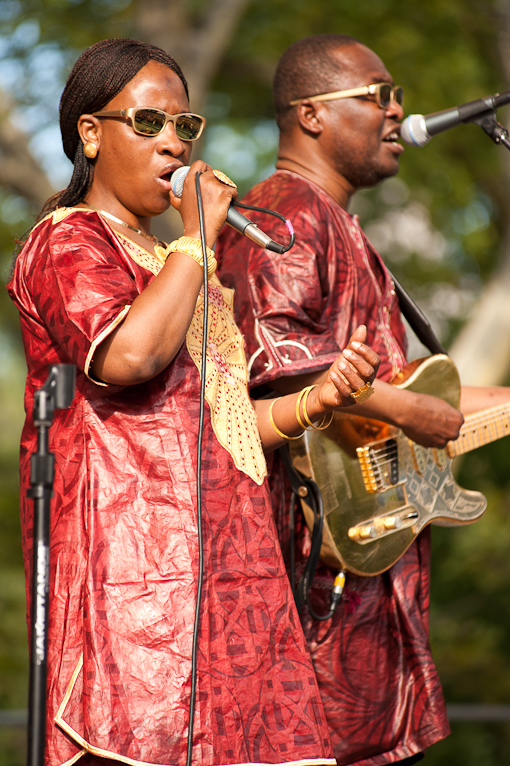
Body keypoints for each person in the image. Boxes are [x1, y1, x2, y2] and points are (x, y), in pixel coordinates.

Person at [7, 38, 381, 766]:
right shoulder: (67, 243)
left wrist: (316, 401)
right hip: (139, 592)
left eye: (185, 126)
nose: (173, 144)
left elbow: (229, 425)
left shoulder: (184, 267)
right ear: (90, 134)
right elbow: (130, 358)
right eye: (149, 124)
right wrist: (198, 239)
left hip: (236, 583)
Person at [216, 34, 510, 766]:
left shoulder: (334, 221)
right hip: (307, 582)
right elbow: (272, 367)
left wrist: (421, 407)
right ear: (311, 114)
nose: (397, 112)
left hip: (362, 589)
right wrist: (404, 411)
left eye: (397, 96)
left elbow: (412, 396)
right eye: (377, 94)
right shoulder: (281, 215)